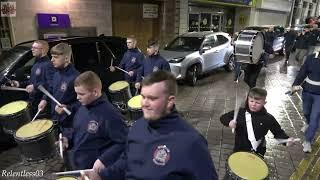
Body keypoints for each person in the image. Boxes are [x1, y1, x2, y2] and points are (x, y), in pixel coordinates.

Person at [81, 70, 218, 180]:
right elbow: (127, 162)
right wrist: (101, 175)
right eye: (143, 97)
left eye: (152, 98)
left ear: (170, 101)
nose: (144, 103)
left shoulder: (191, 142)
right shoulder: (137, 127)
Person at [60, 71, 128, 171]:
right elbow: (77, 130)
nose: (77, 97)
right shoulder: (83, 107)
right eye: (76, 93)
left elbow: (123, 142)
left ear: (95, 92)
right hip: (77, 165)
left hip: (94, 171)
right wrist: (67, 139)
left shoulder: (110, 114)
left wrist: (104, 160)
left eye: (81, 94)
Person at [220, 87, 295, 157]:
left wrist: (286, 140)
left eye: (257, 102)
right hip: (240, 148)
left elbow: (278, 132)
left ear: (264, 103)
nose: (253, 104)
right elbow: (223, 117)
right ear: (247, 100)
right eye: (251, 101)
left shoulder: (268, 118)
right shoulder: (240, 112)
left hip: (258, 151)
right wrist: (229, 122)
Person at [38, 43, 80, 137]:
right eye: (51, 56)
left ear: (66, 58)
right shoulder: (56, 74)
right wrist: (44, 99)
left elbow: (82, 103)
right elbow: (51, 89)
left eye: (55, 57)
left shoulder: (76, 77)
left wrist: (68, 108)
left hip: (69, 125)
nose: (52, 60)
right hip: (56, 120)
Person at [11, 40, 55, 116]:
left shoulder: (48, 65)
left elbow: (51, 85)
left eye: (35, 48)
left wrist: (36, 88)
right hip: (33, 102)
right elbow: (32, 81)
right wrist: (19, 84)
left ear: (43, 50)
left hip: (42, 104)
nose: (32, 49)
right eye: (32, 47)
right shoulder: (37, 63)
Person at [292, 52, 320, 153]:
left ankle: (308, 141)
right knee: (306, 112)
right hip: (307, 91)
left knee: (315, 118)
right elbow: (303, 72)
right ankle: (307, 122)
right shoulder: (311, 57)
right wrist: (295, 84)